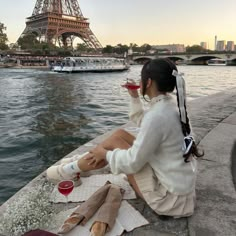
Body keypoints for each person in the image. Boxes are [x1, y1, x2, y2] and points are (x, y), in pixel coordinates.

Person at [47, 58, 203, 217]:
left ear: (148, 82)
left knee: (112, 145)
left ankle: (69, 170)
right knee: (119, 135)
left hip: (168, 201)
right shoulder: (171, 105)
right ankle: (78, 166)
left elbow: (132, 163)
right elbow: (146, 124)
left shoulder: (158, 115)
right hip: (180, 189)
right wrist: (134, 96)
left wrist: (105, 155)